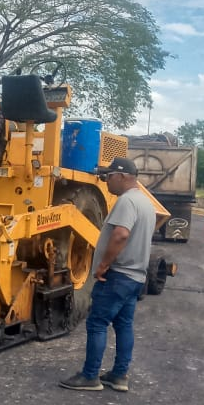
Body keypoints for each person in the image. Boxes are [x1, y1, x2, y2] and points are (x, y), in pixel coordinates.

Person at [60, 157, 157, 392]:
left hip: (118, 275)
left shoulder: (126, 202)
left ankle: (90, 376)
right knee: (124, 325)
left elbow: (121, 234)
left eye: (109, 176)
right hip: (135, 277)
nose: (106, 181)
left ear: (122, 176)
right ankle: (119, 375)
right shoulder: (146, 203)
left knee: (97, 323)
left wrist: (103, 264)